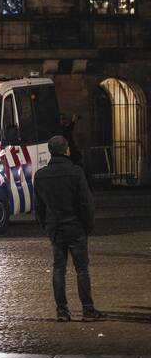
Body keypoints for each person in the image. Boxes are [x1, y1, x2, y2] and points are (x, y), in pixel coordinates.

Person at [34, 135, 103, 322]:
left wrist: (45, 225)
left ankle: (62, 310)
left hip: (55, 227)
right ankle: (88, 309)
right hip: (75, 226)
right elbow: (85, 203)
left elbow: (39, 206)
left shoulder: (40, 175)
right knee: (81, 268)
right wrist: (87, 225)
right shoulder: (76, 172)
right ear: (67, 150)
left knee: (58, 268)